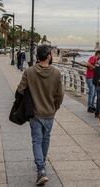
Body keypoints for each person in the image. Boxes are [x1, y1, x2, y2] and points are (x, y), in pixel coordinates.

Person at [17, 45, 64, 185]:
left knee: (37, 140)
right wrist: (55, 107)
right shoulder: (56, 73)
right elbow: (60, 94)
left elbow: (20, 89)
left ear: (38, 56)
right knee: (46, 139)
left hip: (35, 113)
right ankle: (41, 164)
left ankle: (41, 169)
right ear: (49, 56)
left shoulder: (29, 72)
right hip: (50, 112)